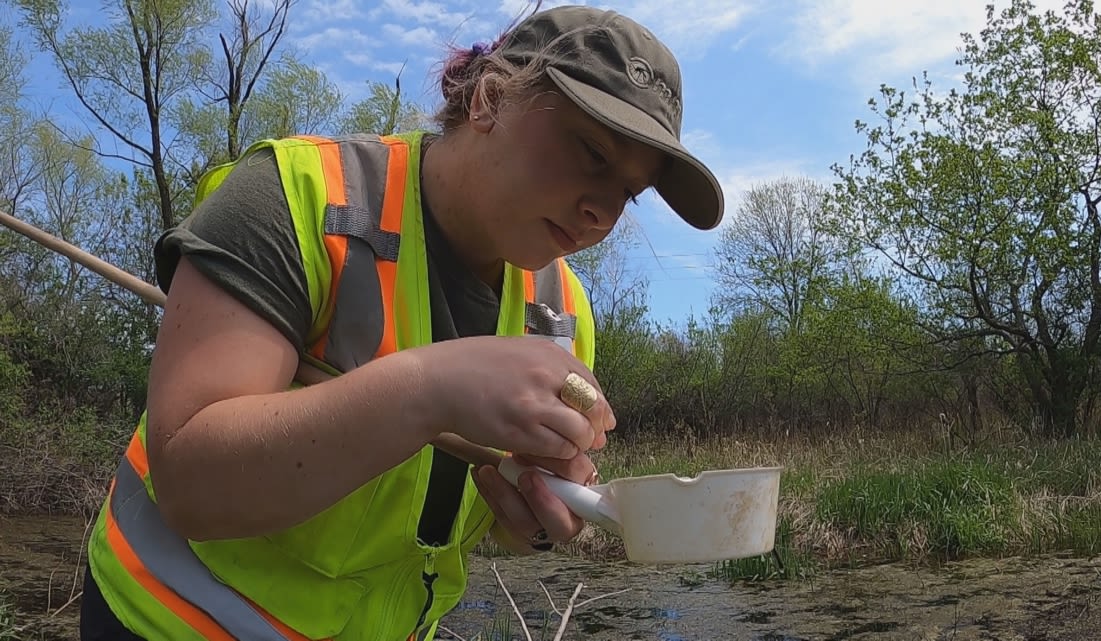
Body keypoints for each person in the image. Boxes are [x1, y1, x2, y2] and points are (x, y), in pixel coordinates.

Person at [78, 4, 724, 641]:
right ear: (489, 101)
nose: (602, 212)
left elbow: (467, 515)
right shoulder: (292, 197)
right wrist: (426, 387)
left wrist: (533, 516)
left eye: (629, 193)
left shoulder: (562, 315)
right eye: (590, 153)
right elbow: (191, 485)